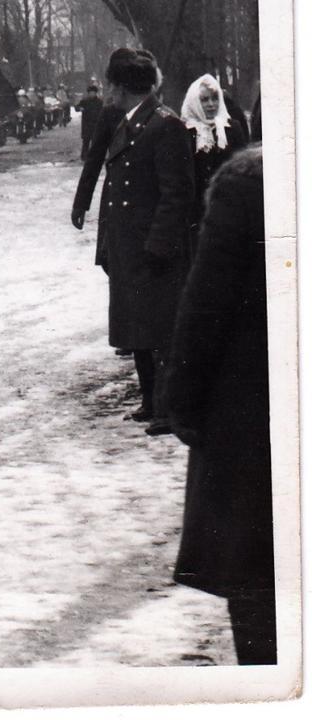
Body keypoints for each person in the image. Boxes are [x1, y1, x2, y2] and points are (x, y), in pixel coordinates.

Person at [166, 145, 275, 664]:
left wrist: (182, 402)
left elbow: (206, 302)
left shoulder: (251, 181)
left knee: (259, 575)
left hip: (256, 416)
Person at [70, 49, 193, 430]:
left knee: (160, 330)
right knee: (138, 325)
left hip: (151, 249)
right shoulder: (131, 121)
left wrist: (158, 247)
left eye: (110, 84)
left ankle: (168, 408)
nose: (106, 91)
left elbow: (177, 194)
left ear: (123, 87)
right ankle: (150, 400)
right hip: (129, 245)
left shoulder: (165, 125)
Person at [179, 73, 248, 228]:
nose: (211, 104)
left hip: (228, 209)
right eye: (204, 100)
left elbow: (242, 169)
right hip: (195, 213)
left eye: (215, 98)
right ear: (194, 102)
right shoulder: (185, 131)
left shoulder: (232, 128)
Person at [77, 82, 104, 160]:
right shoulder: (84, 101)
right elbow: (77, 107)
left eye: (93, 93)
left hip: (96, 123)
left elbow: (102, 111)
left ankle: (94, 156)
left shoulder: (99, 102)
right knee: (86, 141)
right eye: (90, 93)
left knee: (95, 141)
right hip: (86, 123)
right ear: (88, 93)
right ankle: (84, 156)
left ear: (96, 93)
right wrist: (80, 108)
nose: (92, 94)